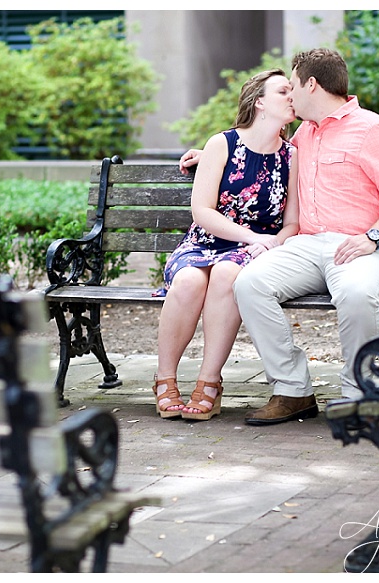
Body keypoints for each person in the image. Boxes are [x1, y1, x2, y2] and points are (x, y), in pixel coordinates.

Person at [180, 48, 379, 426]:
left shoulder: (374, 129)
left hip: (360, 245)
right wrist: (208, 154)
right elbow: (256, 146)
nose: (290, 93)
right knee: (250, 283)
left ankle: (360, 393)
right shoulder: (303, 135)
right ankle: (293, 390)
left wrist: (372, 237)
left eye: (292, 85)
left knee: (356, 293)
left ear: (311, 84)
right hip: (306, 246)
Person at [153, 68, 300, 421]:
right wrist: (253, 236)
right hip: (205, 241)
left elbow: (293, 221)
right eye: (283, 91)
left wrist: (272, 243)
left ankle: (209, 383)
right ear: (259, 102)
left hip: (251, 251)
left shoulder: (293, 156)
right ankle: (164, 379)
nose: (292, 96)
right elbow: (201, 211)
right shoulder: (221, 144)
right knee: (188, 281)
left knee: (226, 275)